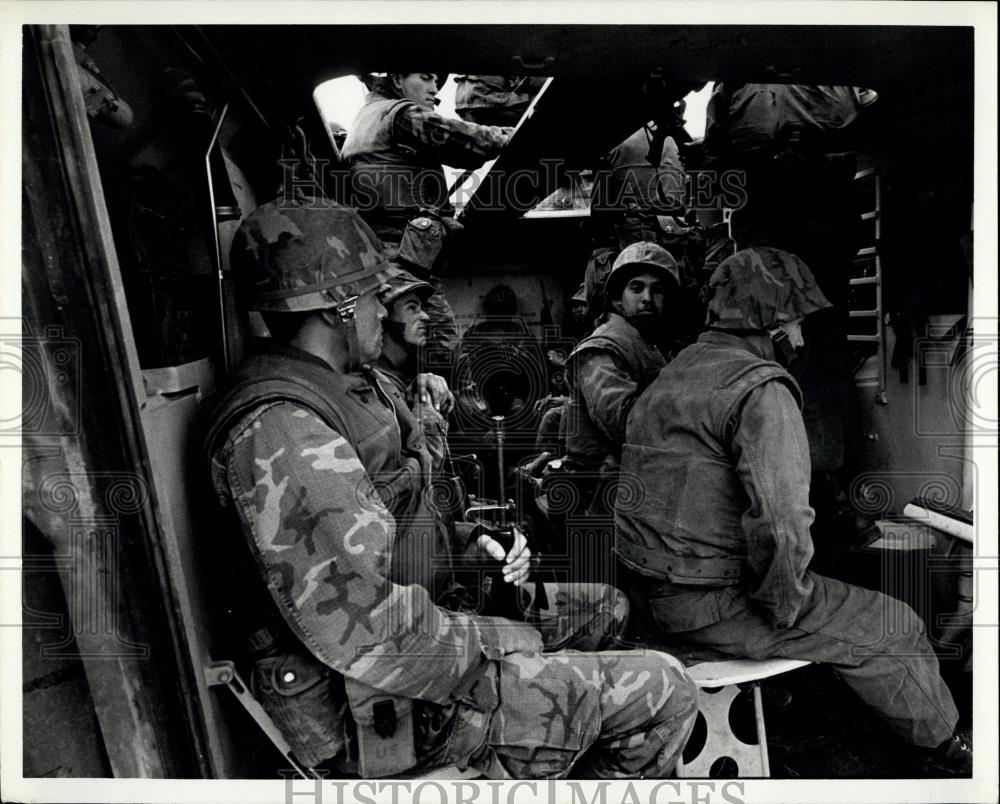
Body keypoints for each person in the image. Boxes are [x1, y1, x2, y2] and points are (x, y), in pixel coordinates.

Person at [199, 197, 698, 779]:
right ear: (340, 306)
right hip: (383, 707)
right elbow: (369, 631)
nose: (382, 315)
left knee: (609, 611)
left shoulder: (346, 390)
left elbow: (392, 519)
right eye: (371, 297)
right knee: (668, 691)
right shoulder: (283, 428)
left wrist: (469, 544)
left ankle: (556, 735)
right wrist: (498, 640)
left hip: (426, 631)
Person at [615, 247, 971, 777]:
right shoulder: (760, 388)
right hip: (710, 606)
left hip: (649, 594)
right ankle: (947, 754)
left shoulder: (674, 373)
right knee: (894, 625)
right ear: (774, 325)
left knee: (833, 591)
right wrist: (787, 606)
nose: (802, 337)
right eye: (797, 322)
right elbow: (781, 525)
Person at [341, 72, 511, 356]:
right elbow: (471, 142)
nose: (436, 89)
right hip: (398, 262)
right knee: (444, 351)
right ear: (397, 80)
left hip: (392, 259)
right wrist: (509, 133)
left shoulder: (369, 115)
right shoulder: (400, 115)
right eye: (426, 78)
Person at [561, 242, 679, 518]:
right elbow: (626, 422)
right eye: (636, 288)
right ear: (617, 299)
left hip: (635, 493)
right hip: (603, 501)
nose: (648, 298)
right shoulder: (603, 348)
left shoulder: (646, 343)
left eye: (657, 289)